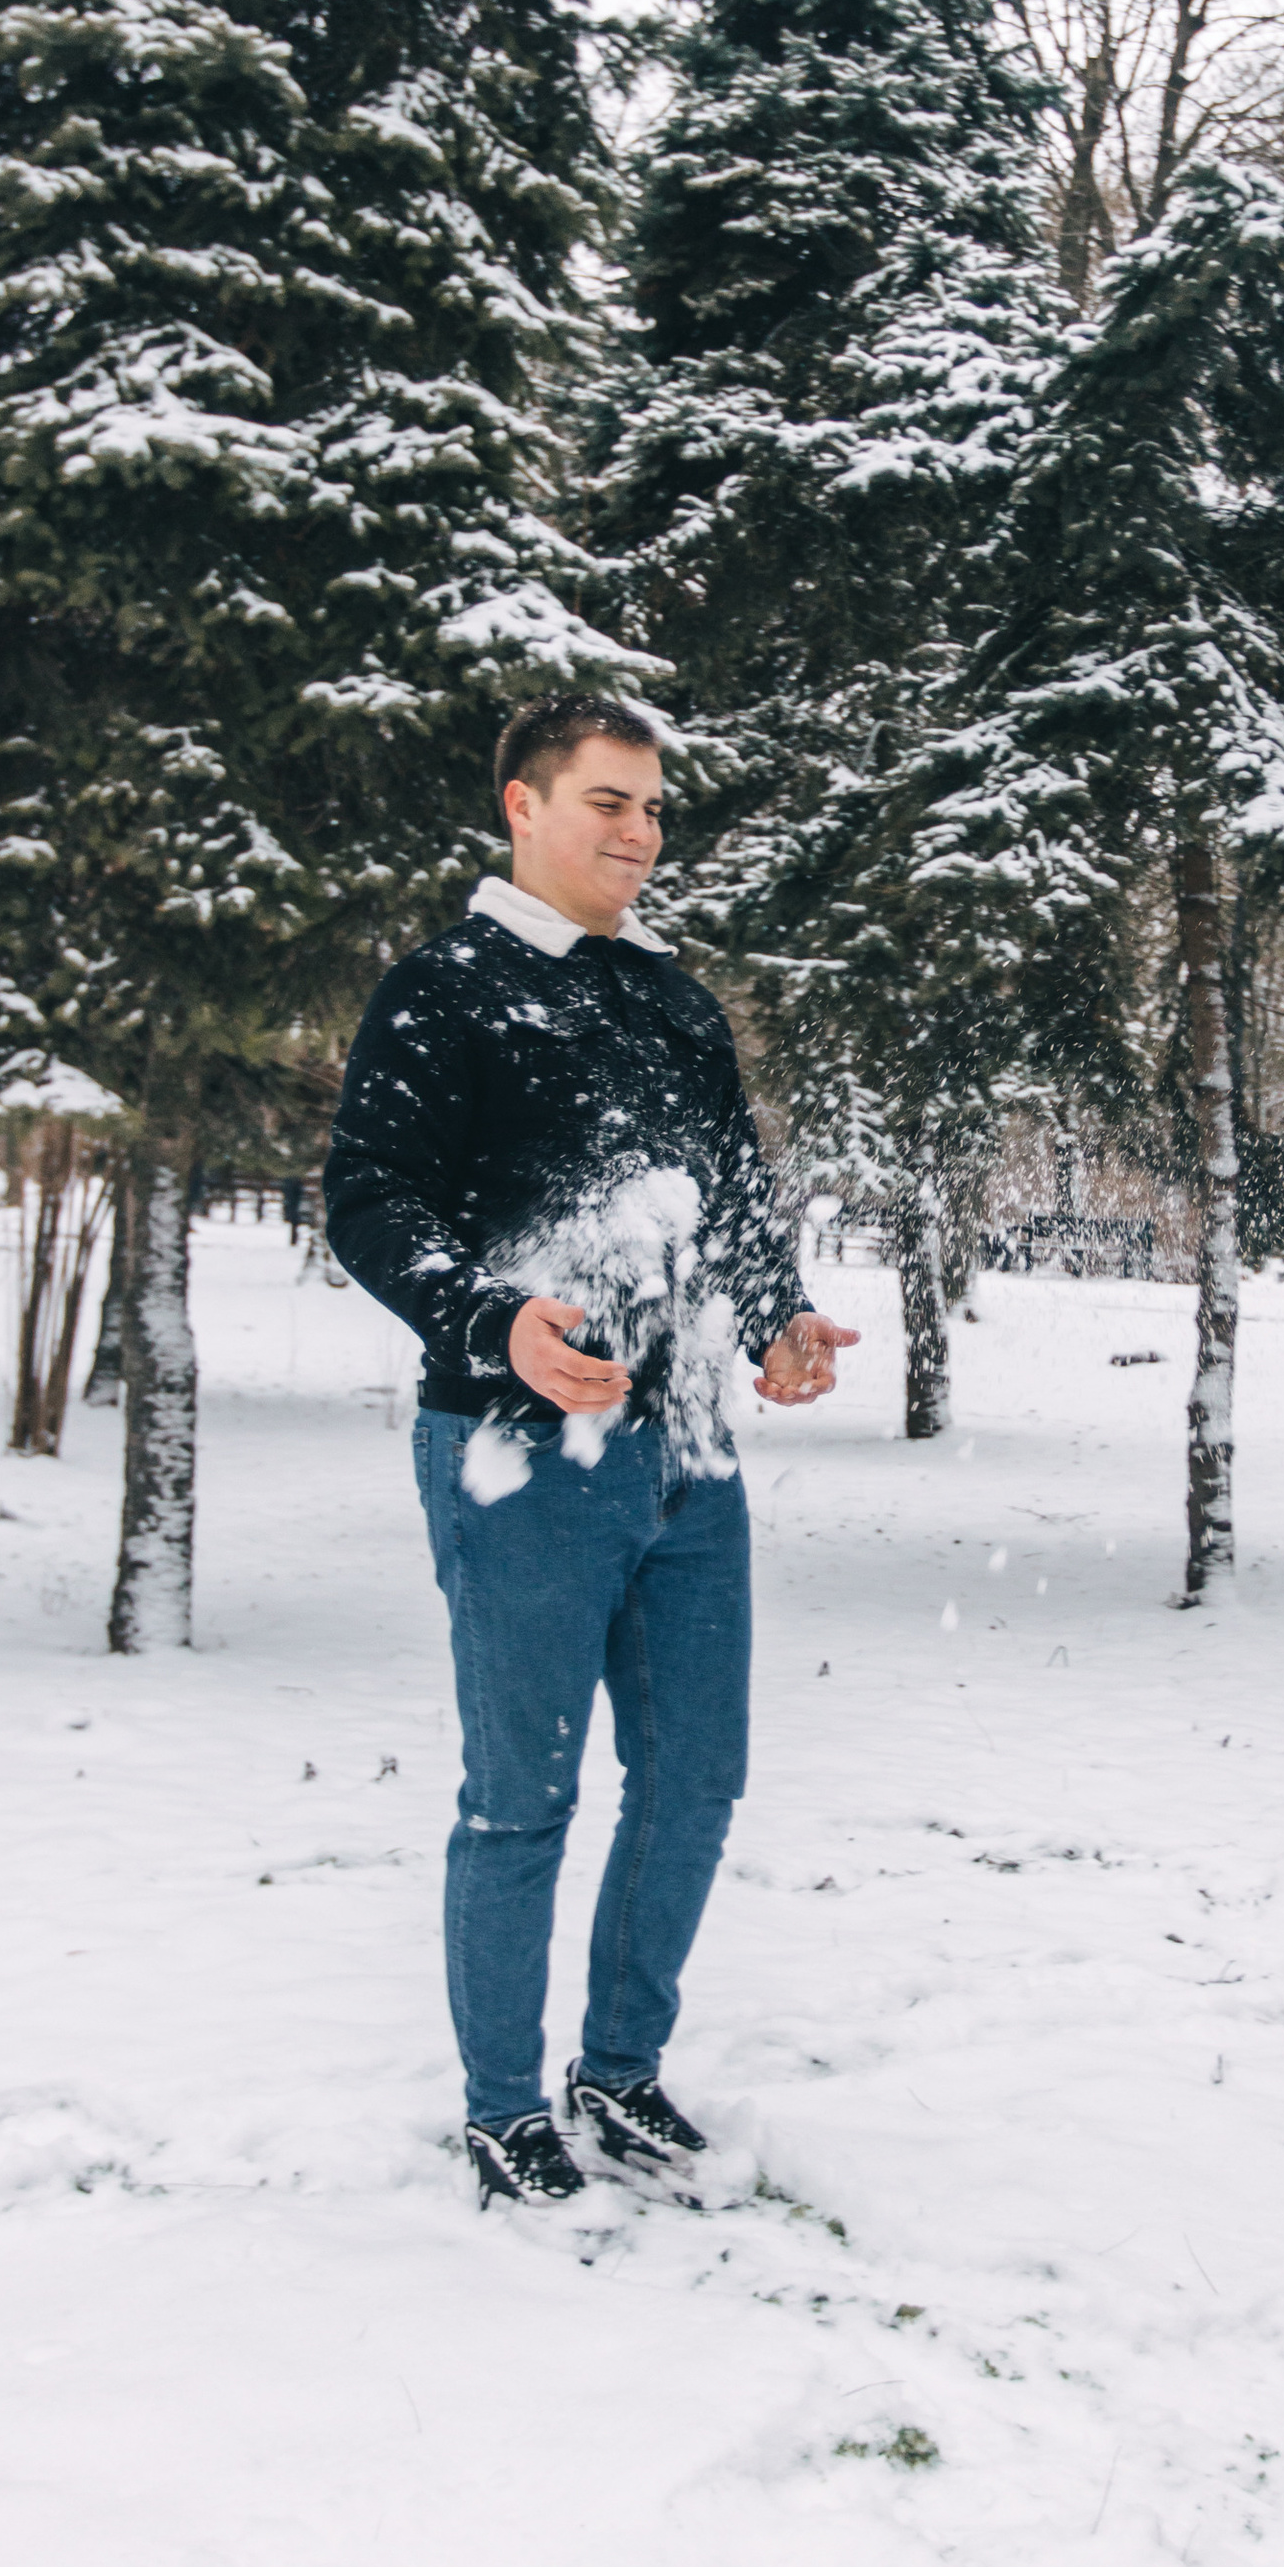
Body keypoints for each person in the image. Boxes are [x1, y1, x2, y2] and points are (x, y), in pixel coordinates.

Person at [324, 693, 859, 2215]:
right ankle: (505, 2108)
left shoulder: (674, 999)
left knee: (695, 1779)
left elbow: (737, 1191)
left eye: (654, 809)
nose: (641, 833)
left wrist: (778, 1316)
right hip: (518, 1456)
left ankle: (620, 2074)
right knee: (524, 1797)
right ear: (522, 806)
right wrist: (494, 1324)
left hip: (690, 1448)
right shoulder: (445, 992)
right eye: (610, 802)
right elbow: (369, 1198)